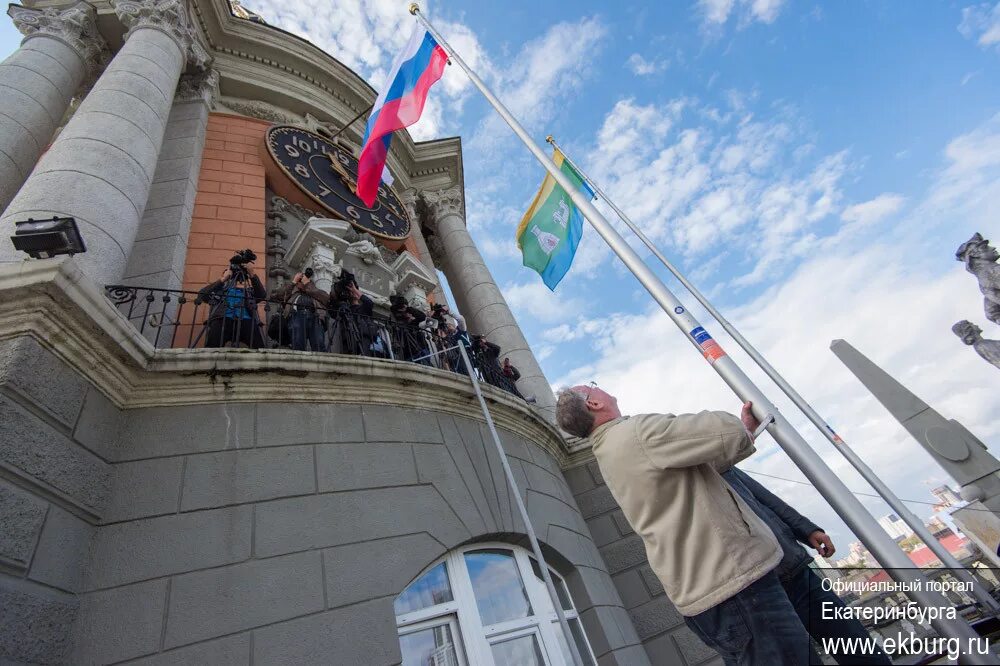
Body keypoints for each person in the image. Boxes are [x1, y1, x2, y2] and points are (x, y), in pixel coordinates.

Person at [556, 385, 821, 665]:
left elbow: (707, 462)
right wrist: (740, 428)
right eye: (594, 387)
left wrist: (744, 434)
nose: (603, 389)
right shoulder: (636, 433)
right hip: (738, 589)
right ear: (594, 403)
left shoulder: (609, 451)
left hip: (711, 598)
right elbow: (725, 431)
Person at [723, 467, 891, 664]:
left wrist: (804, 528)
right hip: (749, 593)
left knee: (856, 646)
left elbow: (761, 496)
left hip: (793, 571)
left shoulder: (713, 453)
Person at [197, 264, 266, 349]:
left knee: (259, 347)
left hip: (246, 319)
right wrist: (222, 280)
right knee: (213, 343)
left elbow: (261, 295)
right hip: (222, 319)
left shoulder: (248, 291)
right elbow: (202, 295)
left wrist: (252, 275)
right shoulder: (219, 291)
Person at [277, 269, 327, 352]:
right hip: (296, 316)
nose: (302, 282)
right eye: (300, 281)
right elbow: (279, 295)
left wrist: (307, 284)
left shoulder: (315, 292)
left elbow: (325, 298)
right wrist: (293, 282)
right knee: (298, 342)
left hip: (315, 316)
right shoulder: (293, 294)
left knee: (319, 343)